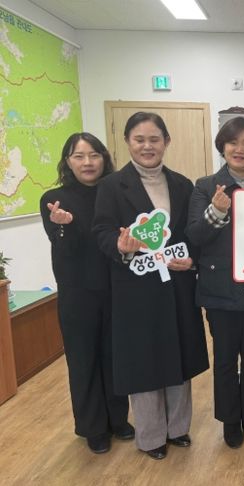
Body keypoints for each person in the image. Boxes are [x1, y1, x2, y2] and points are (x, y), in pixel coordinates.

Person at [92, 112, 209, 460]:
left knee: (178, 357)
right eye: (139, 139)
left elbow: (192, 235)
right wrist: (121, 246)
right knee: (143, 362)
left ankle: (178, 428)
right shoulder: (112, 186)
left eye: (154, 139)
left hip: (176, 285)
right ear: (127, 142)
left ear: (166, 142)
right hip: (135, 289)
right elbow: (101, 231)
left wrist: (193, 259)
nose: (147, 146)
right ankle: (151, 435)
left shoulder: (182, 184)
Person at [186, 117, 244, 449]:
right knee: (225, 358)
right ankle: (229, 419)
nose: (240, 149)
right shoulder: (205, 186)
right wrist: (216, 211)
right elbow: (195, 235)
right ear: (222, 147)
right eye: (233, 142)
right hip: (219, 288)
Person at [40, 133, 133, 454]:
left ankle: (118, 420)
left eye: (94, 155)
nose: (88, 162)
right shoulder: (54, 199)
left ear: (104, 158)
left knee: (115, 358)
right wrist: (63, 225)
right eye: (79, 156)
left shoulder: (115, 194)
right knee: (83, 362)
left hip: (115, 290)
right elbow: (64, 249)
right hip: (78, 296)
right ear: (68, 162)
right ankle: (93, 427)